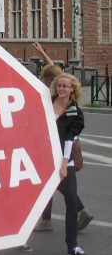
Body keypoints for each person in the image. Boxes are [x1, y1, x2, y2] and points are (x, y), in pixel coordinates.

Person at [32, 42, 93, 232]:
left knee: (53, 181)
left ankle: (55, 218)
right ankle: (48, 219)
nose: (44, 80)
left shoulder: (54, 90)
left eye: (45, 77)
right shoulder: (62, 85)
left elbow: (55, 74)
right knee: (53, 181)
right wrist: (43, 53)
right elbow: (56, 72)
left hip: (60, 144)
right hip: (65, 141)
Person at [51, 73, 86, 255]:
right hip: (43, 159)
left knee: (72, 200)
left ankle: (72, 245)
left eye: (65, 86)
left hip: (65, 159)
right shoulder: (46, 104)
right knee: (36, 199)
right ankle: (21, 238)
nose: (61, 89)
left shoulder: (75, 112)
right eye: (59, 85)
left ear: (72, 89)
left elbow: (69, 139)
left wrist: (64, 164)